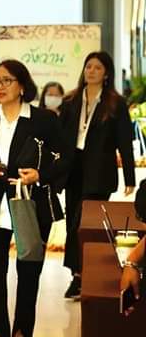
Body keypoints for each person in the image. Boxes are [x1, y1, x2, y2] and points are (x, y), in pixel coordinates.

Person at [0, 60, 68, 337]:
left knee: (29, 272)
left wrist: (41, 174)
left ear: (22, 86)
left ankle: (22, 333)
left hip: (30, 203)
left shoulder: (43, 120)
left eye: (7, 80)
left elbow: (66, 158)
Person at [60, 51, 135, 300]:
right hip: (73, 169)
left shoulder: (115, 103)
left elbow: (124, 142)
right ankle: (77, 274)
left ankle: (81, 276)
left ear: (106, 74)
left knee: (83, 223)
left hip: (100, 172)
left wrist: (130, 177)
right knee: (72, 222)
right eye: (88, 66)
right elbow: (60, 137)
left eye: (97, 68)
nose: (91, 71)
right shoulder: (71, 100)